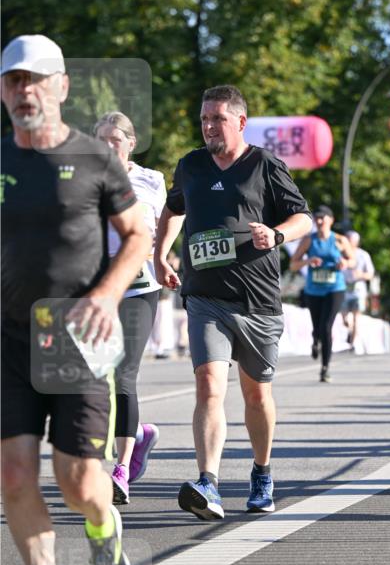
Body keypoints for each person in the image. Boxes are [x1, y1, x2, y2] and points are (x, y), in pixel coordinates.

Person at [1, 35, 151, 565]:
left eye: (36, 80)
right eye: (14, 81)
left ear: (62, 86)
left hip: (77, 335)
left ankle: (103, 530)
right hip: (10, 337)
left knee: (80, 482)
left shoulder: (94, 158)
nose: (25, 91)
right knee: (14, 474)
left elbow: (137, 235)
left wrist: (107, 294)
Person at [154, 84, 311, 520]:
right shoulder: (190, 166)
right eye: (204, 119)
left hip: (257, 299)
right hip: (205, 296)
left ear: (240, 122)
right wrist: (160, 255)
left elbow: (303, 217)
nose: (209, 127)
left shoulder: (264, 165)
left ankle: (262, 472)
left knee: (256, 395)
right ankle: (208, 482)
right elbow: (173, 209)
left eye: (218, 119)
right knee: (208, 385)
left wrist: (276, 235)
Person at [94, 111, 166, 505]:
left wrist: (164, 258)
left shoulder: (152, 180)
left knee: (123, 375)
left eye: (115, 140)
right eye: (101, 141)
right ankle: (138, 434)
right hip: (99, 289)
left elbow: (164, 227)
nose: (108, 147)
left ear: (131, 143)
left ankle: (120, 469)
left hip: (140, 287)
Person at [289, 206, 353, 382]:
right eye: (316, 218)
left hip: (335, 288)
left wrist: (345, 263)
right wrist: (308, 261)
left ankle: (325, 368)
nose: (318, 221)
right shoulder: (309, 240)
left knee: (326, 326)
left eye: (322, 218)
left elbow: (352, 260)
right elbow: (293, 265)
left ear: (331, 220)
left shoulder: (340, 240)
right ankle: (315, 338)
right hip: (313, 290)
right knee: (318, 327)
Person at [342, 229, 376, 347]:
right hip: (344, 289)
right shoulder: (340, 254)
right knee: (344, 318)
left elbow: (370, 274)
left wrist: (360, 275)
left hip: (358, 291)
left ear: (356, 242)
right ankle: (350, 330)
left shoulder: (363, 255)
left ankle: (352, 343)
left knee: (357, 317)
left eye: (350, 241)